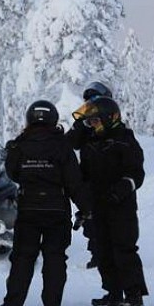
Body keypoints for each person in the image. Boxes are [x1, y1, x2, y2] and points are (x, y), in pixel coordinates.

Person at [0, 100, 91, 306]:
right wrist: (85, 208)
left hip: (29, 207)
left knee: (23, 256)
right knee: (55, 256)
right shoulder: (62, 145)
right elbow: (74, 180)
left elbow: (12, 173)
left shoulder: (20, 143)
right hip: (57, 207)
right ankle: (51, 303)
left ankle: (13, 304)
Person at [73, 95, 149, 306]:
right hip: (97, 204)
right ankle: (113, 292)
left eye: (95, 121)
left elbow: (137, 173)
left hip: (120, 205)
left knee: (124, 249)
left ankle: (134, 295)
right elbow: (73, 147)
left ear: (108, 118)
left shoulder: (125, 140)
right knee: (102, 250)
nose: (92, 125)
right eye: (90, 122)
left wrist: (121, 189)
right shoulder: (89, 141)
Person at [65, 80, 114, 269]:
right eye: (90, 100)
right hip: (88, 176)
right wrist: (82, 125)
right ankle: (97, 253)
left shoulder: (111, 119)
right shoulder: (84, 122)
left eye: (96, 99)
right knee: (90, 216)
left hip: (110, 177)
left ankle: (111, 254)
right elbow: (70, 143)